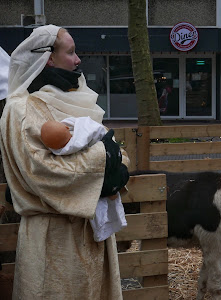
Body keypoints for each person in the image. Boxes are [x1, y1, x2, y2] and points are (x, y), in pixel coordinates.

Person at [0, 25, 129, 299]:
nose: (78, 59)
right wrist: (106, 158)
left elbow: (117, 149)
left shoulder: (77, 101)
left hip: (93, 235)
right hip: (52, 239)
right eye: (70, 52)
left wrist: (113, 157)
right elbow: (43, 171)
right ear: (48, 57)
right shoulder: (21, 108)